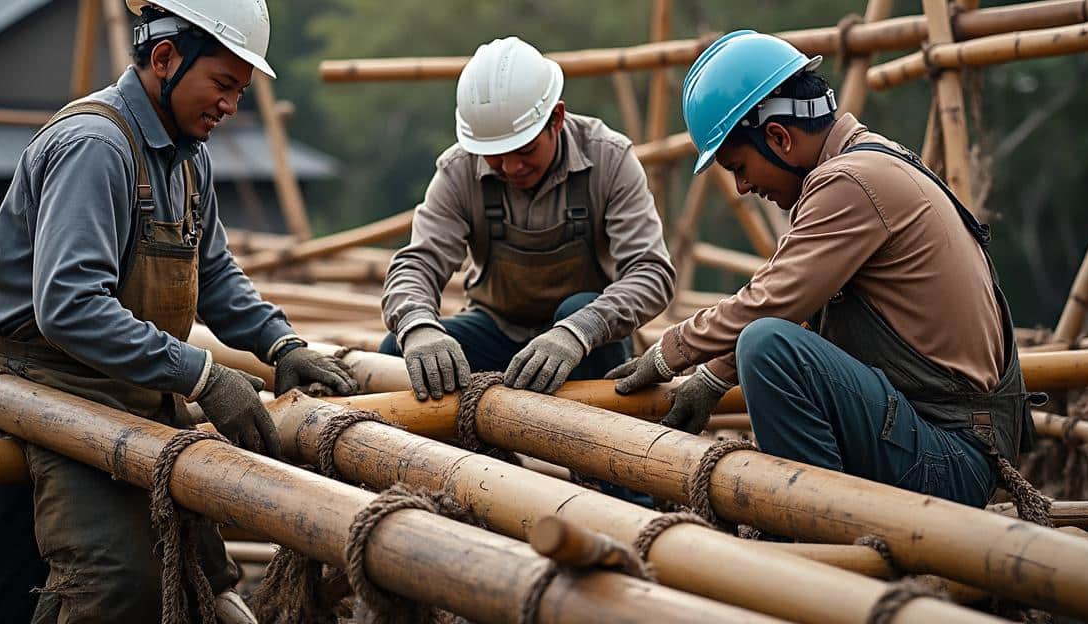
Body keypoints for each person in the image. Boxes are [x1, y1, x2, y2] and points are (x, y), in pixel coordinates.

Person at [0, 0, 358, 624]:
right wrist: (201, 376)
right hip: (28, 384)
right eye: (222, 82)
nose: (230, 103)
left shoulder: (189, 158)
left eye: (241, 90)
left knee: (184, 561)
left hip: (117, 389)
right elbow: (70, 306)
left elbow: (213, 274)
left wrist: (282, 344)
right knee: (46, 589)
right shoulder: (96, 146)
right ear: (164, 59)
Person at [609, 29, 1036, 508]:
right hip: (933, 439)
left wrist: (671, 351)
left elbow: (773, 301)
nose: (744, 187)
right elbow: (800, 303)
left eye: (739, 167)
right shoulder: (867, 162)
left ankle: (814, 526)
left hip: (948, 458)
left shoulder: (850, 182)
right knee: (767, 338)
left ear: (778, 137)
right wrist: (714, 375)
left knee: (767, 344)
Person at [380, 36, 675, 401]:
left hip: (587, 351)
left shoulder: (609, 158)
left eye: (525, 150)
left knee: (578, 306)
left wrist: (577, 331)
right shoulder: (458, 169)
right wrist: (418, 326)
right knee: (399, 350)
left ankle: (587, 448)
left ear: (557, 118)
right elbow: (418, 263)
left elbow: (651, 273)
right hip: (497, 335)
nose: (511, 167)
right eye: (495, 156)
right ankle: (480, 453)